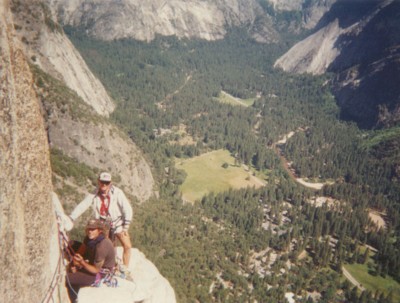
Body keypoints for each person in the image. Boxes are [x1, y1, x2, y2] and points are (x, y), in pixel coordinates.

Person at [69, 172, 133, 266]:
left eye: (106, 183)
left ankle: (125, 268)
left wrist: (126, 227)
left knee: (127, 246)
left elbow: (127, 209)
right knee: (104, 246)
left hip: (118, 223)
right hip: (103, 224)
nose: (104, 184)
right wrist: (72, 217)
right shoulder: (94, 193)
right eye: (102, 182)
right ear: (98, 181)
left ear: (110, 183)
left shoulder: (117, 193)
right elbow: (83, 205)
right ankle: (81, 262)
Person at [66, 218, 116, 303]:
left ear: (99, 231)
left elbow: (95, 270)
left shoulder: (102, 246)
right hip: (91, 261)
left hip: (100, 273)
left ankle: (73, 300)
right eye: (89, 229)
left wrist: (81, 263)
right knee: (70, 244)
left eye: (93, 229)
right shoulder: (89, 238)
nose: (90, 231)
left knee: (68, 278)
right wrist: (74, 263)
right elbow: (81, 250)